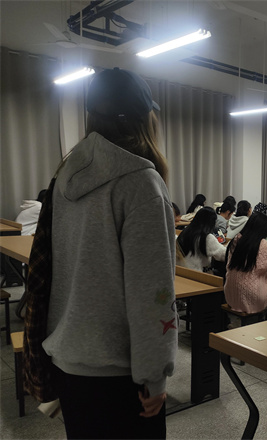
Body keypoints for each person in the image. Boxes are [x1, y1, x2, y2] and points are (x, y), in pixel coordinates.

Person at [43, 68, 176, 439]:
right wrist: (155, 376)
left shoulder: (65, 175)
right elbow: (152, 293)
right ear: (145, 119)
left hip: (69, 363)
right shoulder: (141, 184)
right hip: (119, 375)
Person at [177, 207, 226, 272]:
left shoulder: (185, 232)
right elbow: (223, 255)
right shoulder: (206, 237)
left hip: (180, 271)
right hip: (198, 273)